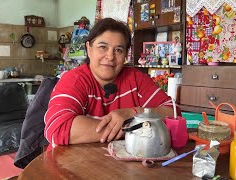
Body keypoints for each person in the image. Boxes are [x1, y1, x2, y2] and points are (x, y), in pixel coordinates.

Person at [44, 18, 181, 146]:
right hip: (71, 166)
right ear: (89, 48)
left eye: (118, 50)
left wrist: (132, 114)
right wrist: (126, 128)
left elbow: (173, 113)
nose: (110, 56)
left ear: (126, 56)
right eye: (103, 47)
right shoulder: (74, 80)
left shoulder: (136, 79)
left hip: (120, 167)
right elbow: (57, 128)